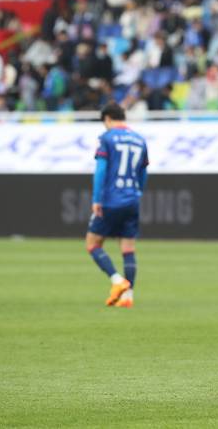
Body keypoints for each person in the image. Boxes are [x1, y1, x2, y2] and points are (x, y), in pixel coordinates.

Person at [86, 102, 149, 308]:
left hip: (111, 200)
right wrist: (138, 191)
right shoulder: (140, 140)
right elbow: (143, 172)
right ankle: (128, 296)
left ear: (107, 119)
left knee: (93, 244)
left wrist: (97, 199)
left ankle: (117, 280)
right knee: (128, 249)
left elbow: (101, 170)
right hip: (132, 199)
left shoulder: (107, 138)